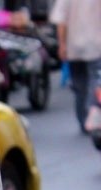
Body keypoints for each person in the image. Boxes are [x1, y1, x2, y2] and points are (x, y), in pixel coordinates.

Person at [49, 0, 101, 134]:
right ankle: (92, 112)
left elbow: (61, 21)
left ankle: (83, 119)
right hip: (96, 45)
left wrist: (62, 44)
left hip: (74, 47)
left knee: (79, 85)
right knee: (95, 81)